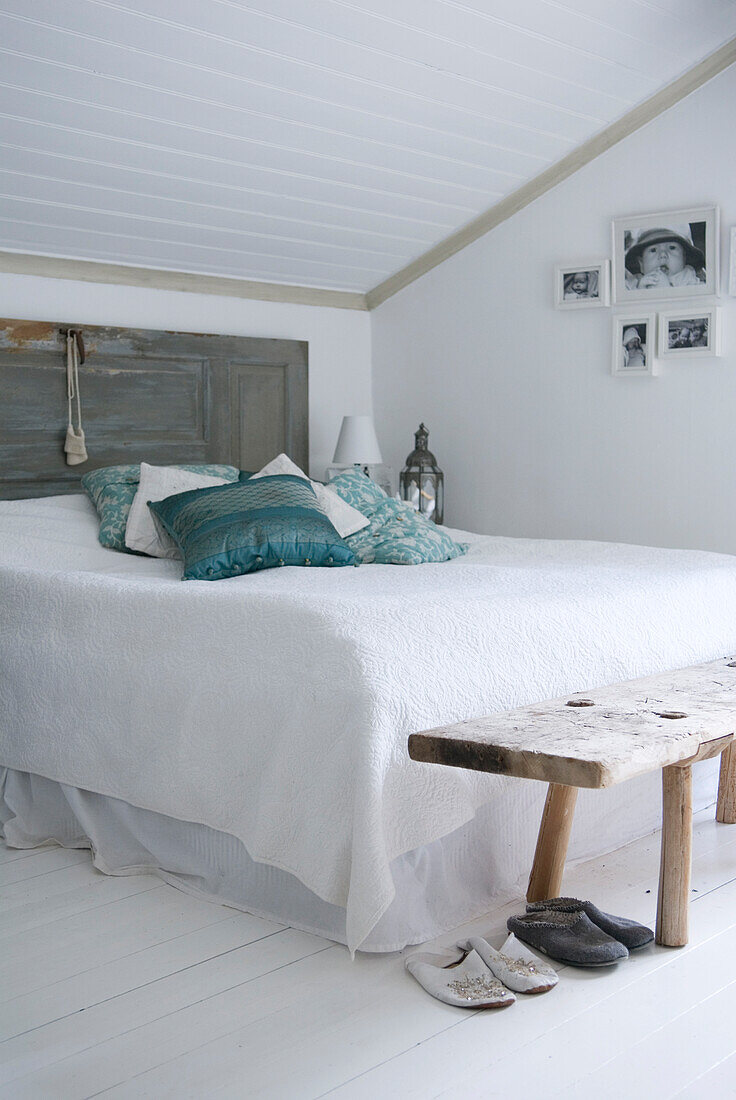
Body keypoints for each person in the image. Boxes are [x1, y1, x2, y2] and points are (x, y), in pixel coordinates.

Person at [625, 225, 705, 291]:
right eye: (653, 250)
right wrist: (640, 292)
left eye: (672, 248)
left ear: (684, 258)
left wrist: (666, 291)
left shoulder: (691, 281)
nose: (663, 254)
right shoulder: (634, 283)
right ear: (641, 264)